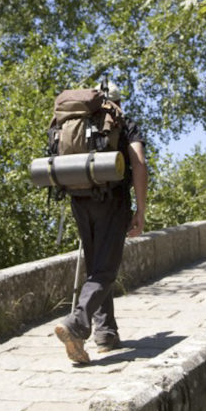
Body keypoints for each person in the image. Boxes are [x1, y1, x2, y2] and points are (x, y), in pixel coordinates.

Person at [53, 84, 147, 365]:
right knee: (107, 268)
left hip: (79, 198)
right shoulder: (123, 123)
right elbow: (139, 162)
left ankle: (106, 334)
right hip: (112, 200)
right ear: (117, 103)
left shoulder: (72, 121)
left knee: (96, 267)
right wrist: (140, 209)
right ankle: (78, 324)